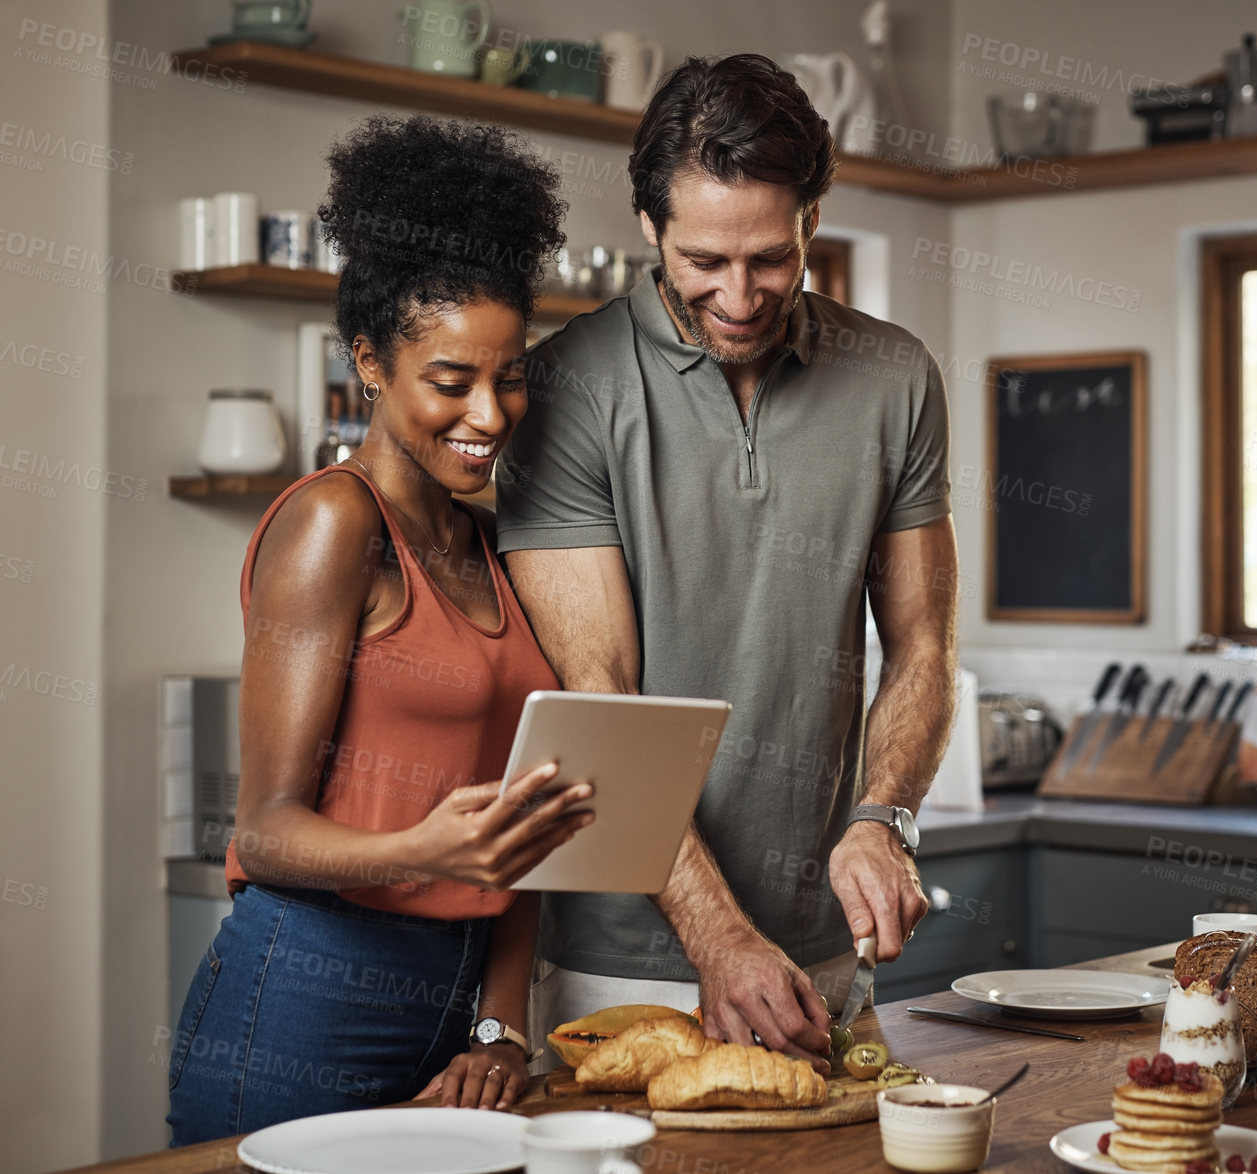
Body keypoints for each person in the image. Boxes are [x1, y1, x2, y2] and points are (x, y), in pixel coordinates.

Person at [498, 53, 960, 1073]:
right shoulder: (565, 388)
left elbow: (922, 643)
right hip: (623, 957)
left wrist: (883, 818)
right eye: (705, 259)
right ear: (650, 228)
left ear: (812, 218)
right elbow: (600, 696)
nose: (740, 296)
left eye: (770, 257)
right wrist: (715, 936)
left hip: (825, 948)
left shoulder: (894, 378)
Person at [167, 115, 586, 1144]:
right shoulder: (331, 525)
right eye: (450, 382)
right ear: (369, 362)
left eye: (510, 375)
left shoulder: (497, 545)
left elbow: (517, 839)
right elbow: (263, 830)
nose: (487, 413)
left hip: (456, 1018)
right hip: (303, 999)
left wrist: (501, 1027)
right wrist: (423, 847)